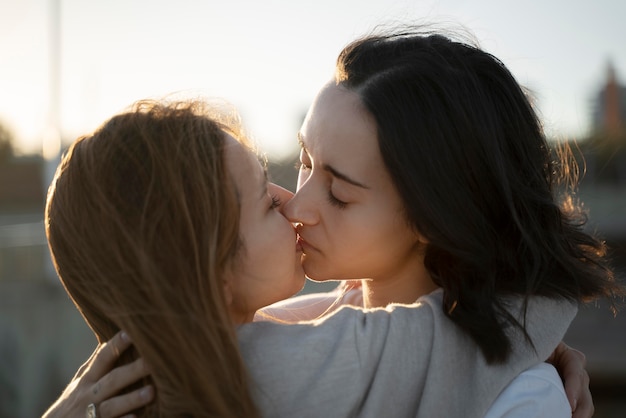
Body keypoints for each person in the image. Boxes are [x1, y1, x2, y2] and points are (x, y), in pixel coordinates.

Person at [44, 27, 622, 417]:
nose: (296, 204)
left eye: (339, 192)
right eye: (303, 162)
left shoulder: (521, 398)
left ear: (436, 213)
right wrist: (520, 328)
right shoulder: (279, 354)